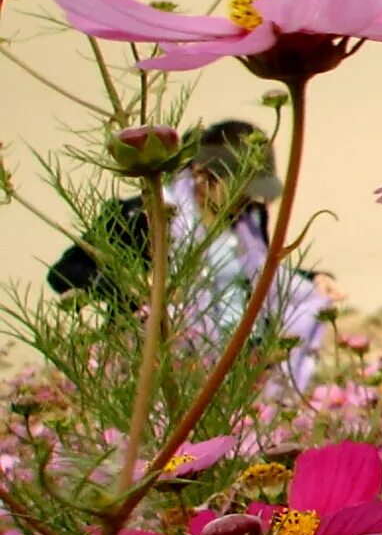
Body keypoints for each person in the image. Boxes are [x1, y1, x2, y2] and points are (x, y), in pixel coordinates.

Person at [47, 120, 327, 387]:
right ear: (201, 174)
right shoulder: (146, 215)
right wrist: (133, 286)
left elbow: (255, 271)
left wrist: (312, 278)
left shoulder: (250, 217)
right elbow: (65, 272)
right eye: (240, 190)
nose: (248, 200)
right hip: (166, 367)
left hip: (241, 364)